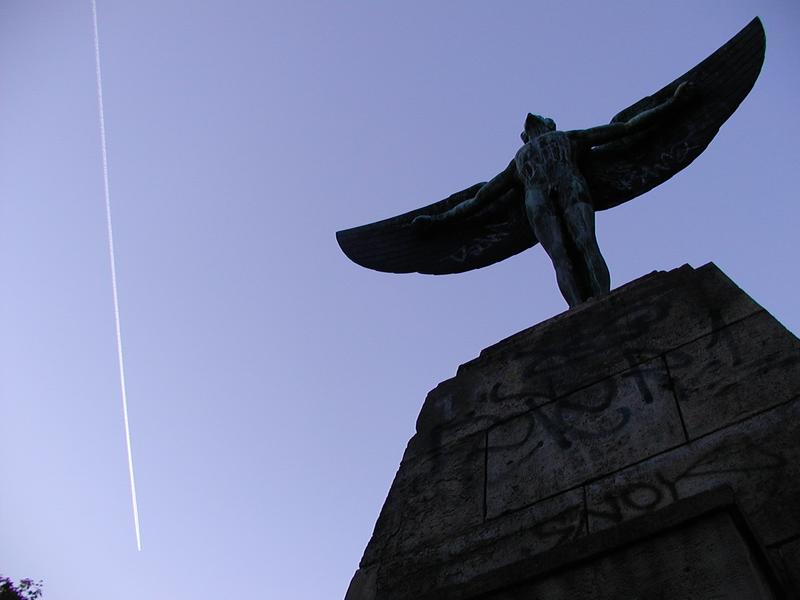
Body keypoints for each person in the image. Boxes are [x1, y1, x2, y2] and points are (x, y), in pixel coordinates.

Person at [413, 82, 693, 307]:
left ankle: (602, 299)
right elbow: (481, 199)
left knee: (585, 243)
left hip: (571, 187)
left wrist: (673, 104)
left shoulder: (568, 138)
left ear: (550, 126)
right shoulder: (519, 161)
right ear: (525, 138)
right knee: (560, 254)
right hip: (538, 200)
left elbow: (624, 129)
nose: (530, 120)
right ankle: (578, 308)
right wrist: (437, 220)